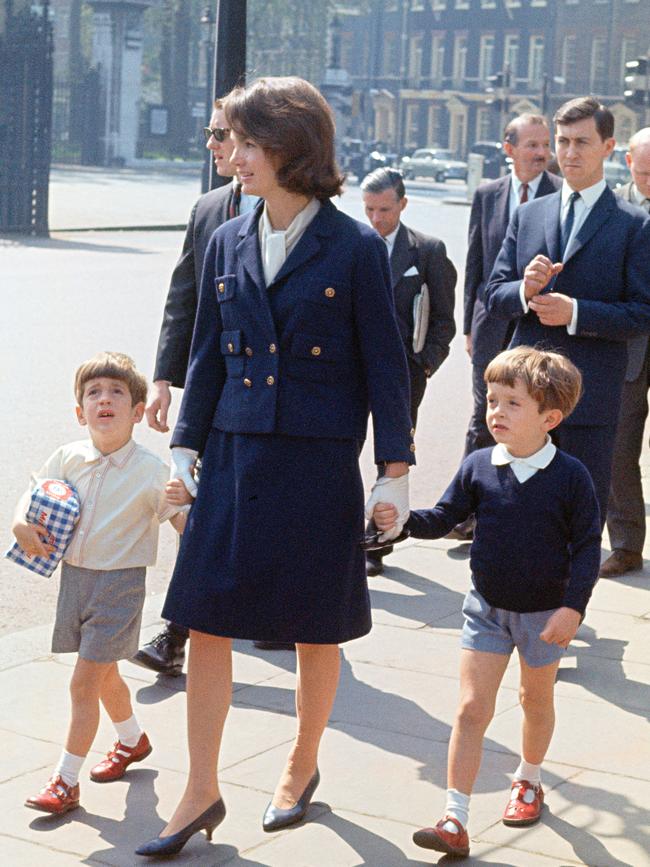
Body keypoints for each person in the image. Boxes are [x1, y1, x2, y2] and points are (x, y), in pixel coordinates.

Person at [135, 76, 414, 858]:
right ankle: (201, 788)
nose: (233, 156)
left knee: (314, 628)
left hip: (317, 462)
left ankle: (300, 764)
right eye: (231, 141)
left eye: (247, 142)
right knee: (206, 617)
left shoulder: (354, 246)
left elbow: (386, 367)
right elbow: (209, 355)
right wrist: (185, 451)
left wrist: (394, 471)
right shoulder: (226, 233)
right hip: (231, 453)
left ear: (292, 148)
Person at [372, 346, 601, 858]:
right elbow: (446, 516)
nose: (494, 411)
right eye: (492, 400)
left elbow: (587, 547)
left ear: (550, 417)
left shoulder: (570, 478)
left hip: (545, 614)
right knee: (472, 708)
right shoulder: (479, 465)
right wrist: (404, 522)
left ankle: (529, 778)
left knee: (534, 701)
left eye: (511, 403)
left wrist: (573, 608)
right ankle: (454, 815)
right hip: (486, 609)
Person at [12, 352, 188, 815]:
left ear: (136, 412)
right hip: (75, 581)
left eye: (116, 392)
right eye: (93, 393)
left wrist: (189, 499)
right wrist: (18, 526)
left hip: (120, 587)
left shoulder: (153, 472)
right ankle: (132, 741)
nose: (104, 399)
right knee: (105, 673)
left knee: (83, 683)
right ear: (80, 411)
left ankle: (65, 782)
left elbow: (185, 525)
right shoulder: (67, 457)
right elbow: (31, 500)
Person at [134, 99, 265, 676]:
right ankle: (178, 632)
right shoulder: (209, 208)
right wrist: (163, 378)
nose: (212, 145)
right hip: (214, 391)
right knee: (202, 506)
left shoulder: (308, 215)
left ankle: (272, 609)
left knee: (261, 506)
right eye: (210, 133)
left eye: (220, 133)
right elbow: (183, 296)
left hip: (271, 399)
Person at [484, 97, 650, 525]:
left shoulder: (634, 224)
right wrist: (526, 289)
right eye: (563, 142)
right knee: (517, 513)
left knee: (578, 519)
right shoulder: (528, 214)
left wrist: (575, 311)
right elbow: (493, 294)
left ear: (608, 146)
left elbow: (640, 314)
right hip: (524, 395)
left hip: (590, 396)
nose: (570, 153)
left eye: (582, 142)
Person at [453, 114, 561, 542]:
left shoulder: (560, 195)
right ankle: (468, 511)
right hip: (491, 326)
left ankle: (521, 515)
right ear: (509, 148)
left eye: (544, 144)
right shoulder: (487, 194)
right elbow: (475, 264)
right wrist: (469, 327)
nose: (541, 153)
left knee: (532, 419)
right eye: (531, 144)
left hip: (539, 330)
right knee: (484, 417)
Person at [361, 166, 456, 575]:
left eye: (385, 209)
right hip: (351, 368)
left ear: (403, 203)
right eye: (369, 210)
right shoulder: (353, 244)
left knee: (394, 456)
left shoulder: (427, 250)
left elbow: (445, 320)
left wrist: (426, 364)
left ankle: (379, 542)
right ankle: (344, 534)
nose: (377, 219)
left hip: (403, 372)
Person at [600, 128, 650, 578]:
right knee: (619, 449)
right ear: (629, 162)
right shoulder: (613, 208)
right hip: (629, 346)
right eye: (646, 170)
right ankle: (627, 544)